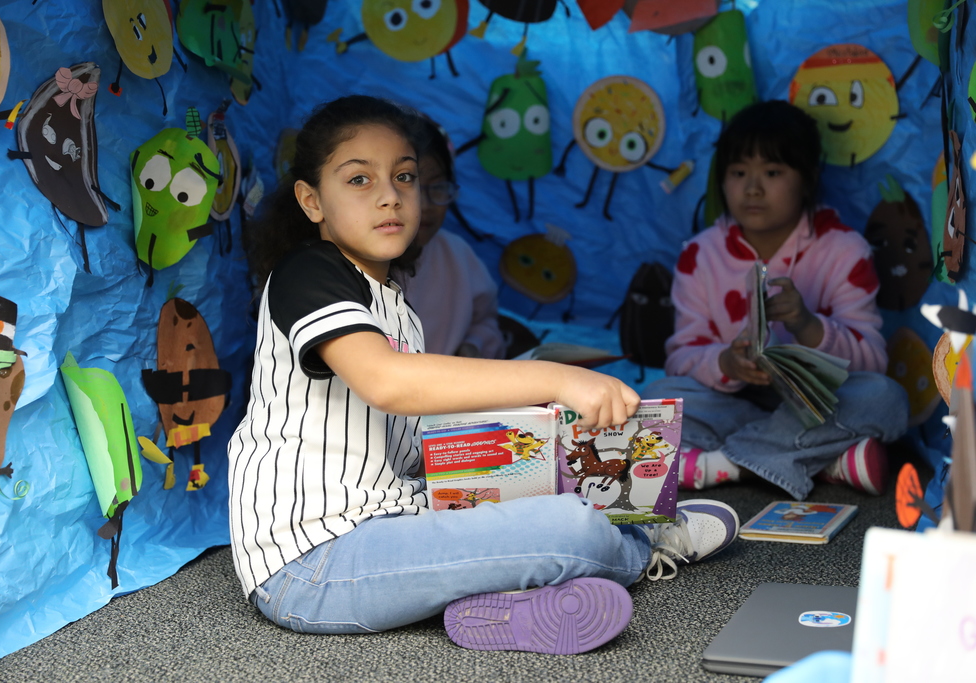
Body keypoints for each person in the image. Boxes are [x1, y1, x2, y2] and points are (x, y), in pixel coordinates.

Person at [230, 94, 740, 655]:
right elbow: (389, 382)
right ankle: (644, 541)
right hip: (311, 563)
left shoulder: (396, 304)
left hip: (389, 521)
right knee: (575, 526)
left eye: (405, 177)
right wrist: (555, 378)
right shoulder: (309, 272)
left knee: (549, 487)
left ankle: (500, 605)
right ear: (311, 201)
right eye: (358, 180)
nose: (388, 195)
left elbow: (422, 429)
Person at [639, 100, 908, 501]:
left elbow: (873, 360)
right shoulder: (701, 254)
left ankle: (719, 466)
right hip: (732, 403)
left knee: (886, 397)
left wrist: (807, 325)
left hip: (816, 405)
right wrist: (726, 363)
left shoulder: (844, 250)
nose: (752, 189)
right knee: (655, 398)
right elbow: (680, 356)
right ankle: (828, 459)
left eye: (773, 172)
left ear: (808, 179)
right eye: (738, 173)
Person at [401, 116, 507, 359]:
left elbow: (485, 322)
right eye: (409, 187)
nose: (425, 206)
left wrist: (473, 345)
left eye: (437, 187)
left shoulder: (458, 256)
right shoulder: (350, 270)